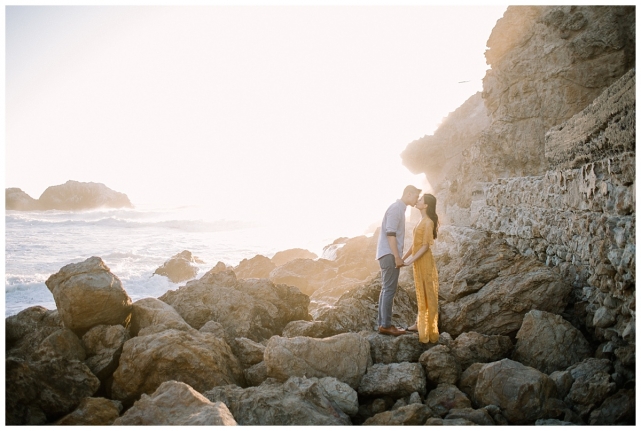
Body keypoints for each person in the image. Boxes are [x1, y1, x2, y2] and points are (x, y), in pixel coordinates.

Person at [376, 185, 421, 336]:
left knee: (386, 289)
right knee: (389, 289)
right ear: (409, 194)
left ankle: (383, 324)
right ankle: (386, 325)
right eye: (415, 197)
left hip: (385, 253)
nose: (416, 201)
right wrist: (397, 256)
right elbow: (390, 234)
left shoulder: (399, 209)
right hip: (389, 254)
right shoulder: (396, 209)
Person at [402, 193, 440, 344]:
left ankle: (427, 328)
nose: (417, 201)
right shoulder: (421, 220)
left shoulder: (429, 222)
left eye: (420, 199)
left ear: (425, 205)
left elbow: (425, 246)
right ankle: (419, 324)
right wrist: (402, 258)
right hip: (419, 261)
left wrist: (410, 260)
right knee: (420, 291)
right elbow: (415, 245)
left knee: (427, 293)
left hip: (424, 261)